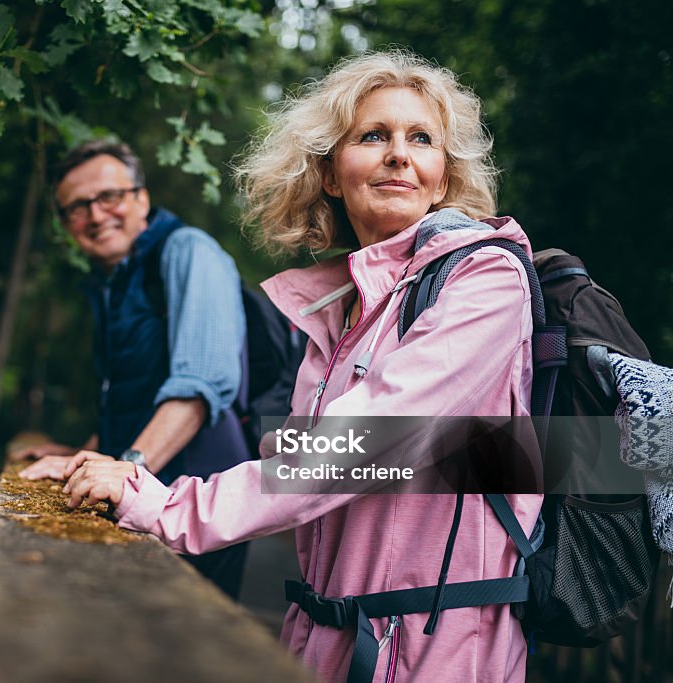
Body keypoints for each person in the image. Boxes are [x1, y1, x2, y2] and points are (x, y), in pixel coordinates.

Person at [60, 51, 543, 682]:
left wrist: (167, 503)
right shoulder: (337, 308)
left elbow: (368, 440)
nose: (399, 153)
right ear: (332, 175)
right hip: (325, 638)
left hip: (436, 648)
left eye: (421, 139)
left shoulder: (486, 279)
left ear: (442, 177)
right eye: (373, 136)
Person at [14, 140, 252, 599]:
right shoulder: (111, 284)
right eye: (78, 207)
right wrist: (82, 453)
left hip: (197, 501)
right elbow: (128, 393)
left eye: (110, 196)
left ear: (141, 197)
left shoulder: (188, 251)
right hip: (142, 491)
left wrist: (126, 470)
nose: (97, 215)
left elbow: (198, 389)